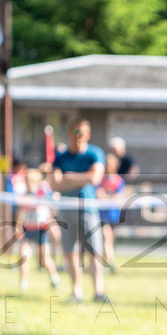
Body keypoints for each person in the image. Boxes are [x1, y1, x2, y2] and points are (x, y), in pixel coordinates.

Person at [49, 118, 107, 302]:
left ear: (87, 134)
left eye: (81, 133)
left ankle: (99, 292)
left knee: (94, 251)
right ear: (69, 133)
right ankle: (76, 291)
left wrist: (68, 177)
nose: (78, 137)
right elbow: (54, 183)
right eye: (74, 132)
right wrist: (84, 177)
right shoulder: (60, 156)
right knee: (69, 251)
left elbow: (95, 178)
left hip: (88, 208)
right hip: (66, 210)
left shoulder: (95, 153)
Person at [15, 168, 59, 291]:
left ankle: (54, 276)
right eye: (27, 180)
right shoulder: (22, 193)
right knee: (23, 256)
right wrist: (17, 227)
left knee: (44, 259)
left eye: (32, 180)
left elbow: (53, 203)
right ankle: (23, 282)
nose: (29, 183)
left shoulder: (42, 193)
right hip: (27, 230)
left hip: (41, 230)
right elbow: (20, 211)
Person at [96, 152, 125, 273]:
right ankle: (108, 263)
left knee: (108, 239)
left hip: (113, 215)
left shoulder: (118, 181)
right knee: (105, 237)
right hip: (101, 215)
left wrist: (106, 197)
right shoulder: (100, 179)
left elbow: (118, 197)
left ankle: (108, 262)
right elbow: (98, 194)